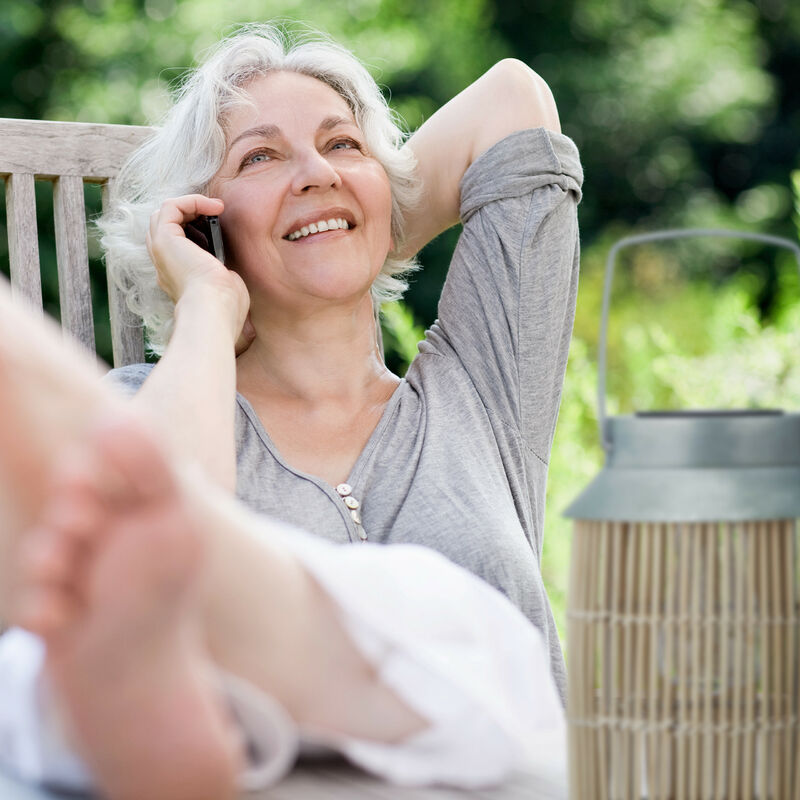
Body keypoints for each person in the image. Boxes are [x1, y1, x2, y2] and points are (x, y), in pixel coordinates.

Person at [0, 21, 582, 800]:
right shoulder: (155, 408)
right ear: (201, 222)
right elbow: (166, 523)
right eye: (261, 157)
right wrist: (211, 300)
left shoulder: (482, 387)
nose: (314, 169)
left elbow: (513, 99)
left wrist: (345, 220)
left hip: (503, 772)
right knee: (149, 534)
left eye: (342, 143)